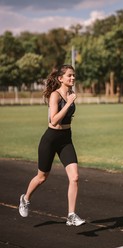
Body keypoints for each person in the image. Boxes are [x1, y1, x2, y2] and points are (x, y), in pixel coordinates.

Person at [19, 64, 85, 226]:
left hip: (66, 139)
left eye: (74, 75)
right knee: (42, 177)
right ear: (60, 78)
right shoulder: (55, 96)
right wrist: (69, 103)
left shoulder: (71, 93)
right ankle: (25, 198)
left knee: (75, 177)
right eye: (69, 75)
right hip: (50, 139)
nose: (73, 78)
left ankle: (71, 215)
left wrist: (70, 102)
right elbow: (53, 120)